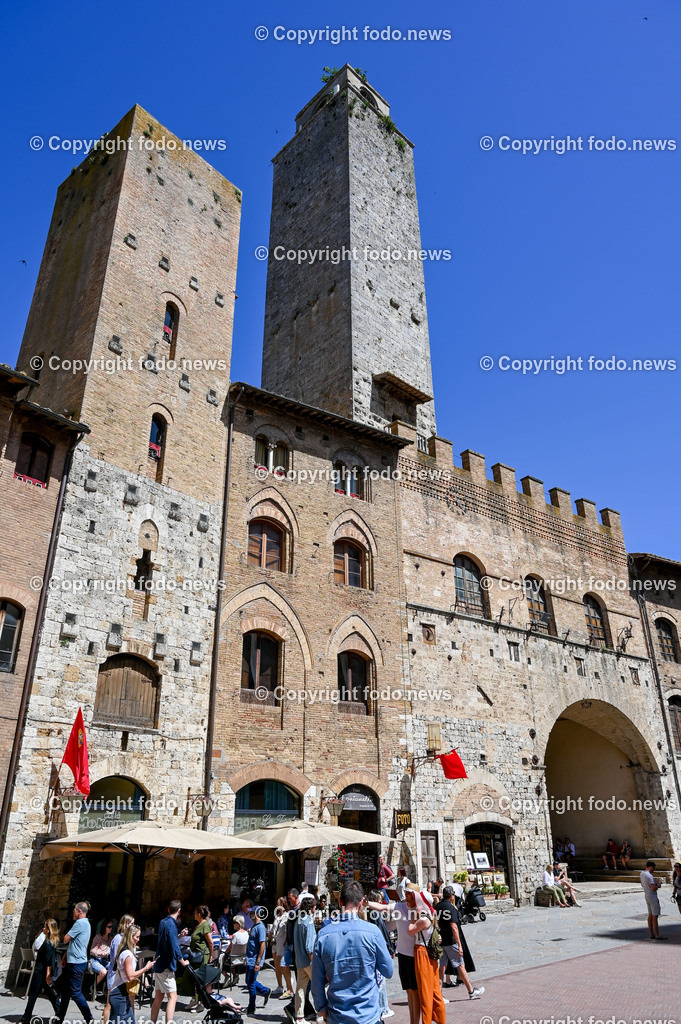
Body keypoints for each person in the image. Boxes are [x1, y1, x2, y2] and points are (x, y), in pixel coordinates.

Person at [312, 880, 393, 1024]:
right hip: (368, 1015)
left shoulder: (323, 935)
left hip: (338, 1015)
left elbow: (317, 980)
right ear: (361, 903)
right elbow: (388, 970)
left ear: (340, 901)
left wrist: (321, 1008)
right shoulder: (373, 932)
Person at [366, 887, 418, 1024]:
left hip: (413, 954)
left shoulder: (419, 908)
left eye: (409, 893)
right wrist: (367, 903)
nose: (405, 895)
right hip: (402, 954)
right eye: (405, 893)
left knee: (415, 991)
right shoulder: (398, 907)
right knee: (408, 990)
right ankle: (411, 1020)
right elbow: (382, 909)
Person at [436, 886, 484, 999]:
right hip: (451, 941)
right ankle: (471, 991)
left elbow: (435, 922)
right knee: (461, 965)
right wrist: (459, 944)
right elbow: (454, 927)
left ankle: (439, 994)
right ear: (452, 896)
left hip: (442, 940)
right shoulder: (451, 908)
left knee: (442, 966)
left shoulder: (437, 907)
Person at [407, 890, 446, 1024]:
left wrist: (414, 917)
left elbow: (410, 930)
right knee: (434, 989)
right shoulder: (430, 915)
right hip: (429, 954)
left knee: (425, 990)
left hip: (422, 953)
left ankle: (427, 1020)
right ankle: (440, 1019)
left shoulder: (423, 919)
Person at [150, 900, 189, 1024]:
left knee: (158, 997)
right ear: (179, 911)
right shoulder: (172, 924)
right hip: (166, 965)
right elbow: (173, 946)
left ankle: (152, 1021)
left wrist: (179, 936)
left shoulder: (163, 922)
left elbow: (167, 941)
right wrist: (182, 961)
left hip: (159, 963)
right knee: (173, 997)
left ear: (168, 909)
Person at [108, 924, 155, 1024]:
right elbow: (130, 976)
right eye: (137, 937)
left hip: (122, 992)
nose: (138, 939)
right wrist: (146, 968)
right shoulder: (127, 954)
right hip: (119, 993)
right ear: (130, 936)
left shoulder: (126, 951)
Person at [56, 901, 93, 1024]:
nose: (73, 913)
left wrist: (59, 932)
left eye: (74, 911)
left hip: (76, 963)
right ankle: (60, 1017)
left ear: (79, 912)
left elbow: (66, 939)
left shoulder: (79, 923)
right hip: (74, 961)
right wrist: (65, 956)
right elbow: (75, 943)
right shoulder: (86, 923)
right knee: (65, 991)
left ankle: (89, 1018)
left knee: (75, 992)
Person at [21, 919, 61, 1024]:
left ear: (49, 929)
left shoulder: (48, 943)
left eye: (45, 927)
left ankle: (25, 1019)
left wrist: (48, 975)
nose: (43, 928)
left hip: (41, 972)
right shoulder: (50, 941)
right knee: (50, 994)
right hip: (41, 971)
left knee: (33, 995)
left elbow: (49, 961)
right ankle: (59, 1013)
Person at [181, 905, 214, 1009]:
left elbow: (210, 943)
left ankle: (201, 1003)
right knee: (189, 977)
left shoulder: (205, 925)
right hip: (194, 955)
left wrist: (210, 956)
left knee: (199, 979)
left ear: (199, 914)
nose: (194, 915)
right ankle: (193, 999)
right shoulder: (198, 925)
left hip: (202, 956)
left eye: (195, 913)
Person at [105, 915, 135, 1024]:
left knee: (129, 1004)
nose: (133, 926)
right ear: (125, 924)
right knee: (109, 1005)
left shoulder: (127, 938)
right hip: (115, 976)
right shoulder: (118, 938)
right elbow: (118, 958)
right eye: (131, 923)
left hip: (123, 976)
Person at [293, 895, 316, 1024]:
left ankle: (299, 1017)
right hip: (308, 961)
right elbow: (309, 947)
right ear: (311, 907)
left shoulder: (298, 920)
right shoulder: (309, 921)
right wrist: (315, 963)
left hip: (299, 960)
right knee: (320, 987)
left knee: (300, 989)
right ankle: (323, 1014)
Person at [245, 905, 271, 1015]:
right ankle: (265, 991)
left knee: (250, 983)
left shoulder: (260, 927)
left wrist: (258, 962)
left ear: (257, 914)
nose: (250, 914)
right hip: (249, 958)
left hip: (254, 960)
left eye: (252, 913)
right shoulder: (254, 926)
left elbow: (262, 944)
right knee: (248, 981)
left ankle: (251, 1006)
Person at [640, 860, 668, 940]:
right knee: (655, 916)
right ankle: (657, 934)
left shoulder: (642, 873)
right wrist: (658, 886)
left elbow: (642, 884)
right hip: (652, 896)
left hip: (646, 895)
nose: (654, 870)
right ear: (651, 867)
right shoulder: (650, 876)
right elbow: (653, 888)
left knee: (650, 915)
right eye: (654, 868)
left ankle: (651, 933)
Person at [271, 897, 292, 997]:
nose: (276, 904)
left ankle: (288, 983)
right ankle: (280, 985)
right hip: (275, 942)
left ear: (282, 904)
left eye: (278, 903)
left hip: (282, 942)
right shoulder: (277, 916)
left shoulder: (287, 916)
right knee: (276, 965)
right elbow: (274, 928)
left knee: (281, 965)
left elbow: (288, 930)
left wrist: (285, 941)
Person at [90, 919, 114, 986]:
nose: (111, 928)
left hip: (104, 960)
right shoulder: (98, 937)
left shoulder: (110, 939)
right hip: (94, 960)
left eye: (111, 926)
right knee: (104, 972)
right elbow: (92, 951)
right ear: (104, 927)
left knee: (115, 968)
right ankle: (93, 987)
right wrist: (100, 953)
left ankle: (109, 988)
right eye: (109, 927)